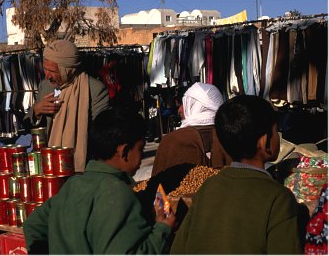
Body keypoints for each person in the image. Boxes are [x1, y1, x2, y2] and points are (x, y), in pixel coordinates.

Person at [23, 107, 176, 254]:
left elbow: (33, 225)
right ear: (124, 152)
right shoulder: (119, 194)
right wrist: (163, 229)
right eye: (140, 149)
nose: (142, 157)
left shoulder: (73, 184)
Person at [170, 95, 302, 254]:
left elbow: (178, 249)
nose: (278, 136)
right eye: (276, 131)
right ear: (265, 142)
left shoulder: (208, 187)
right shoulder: (279, 198)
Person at [24, 40, 110, 172]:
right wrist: (36, 110)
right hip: (48, 165)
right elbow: (31, 127)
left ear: (67, 69)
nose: (47, 75)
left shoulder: (94, 90)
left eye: (52, 71)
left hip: (82, 169)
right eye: (45, 69)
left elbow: (100, 135)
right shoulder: (46, 86)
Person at [151, 82, 231, 176]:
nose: (180, 110)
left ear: (195, 106)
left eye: (185, 104)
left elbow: (156, 187)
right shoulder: (232, 137)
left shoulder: (172, 141)